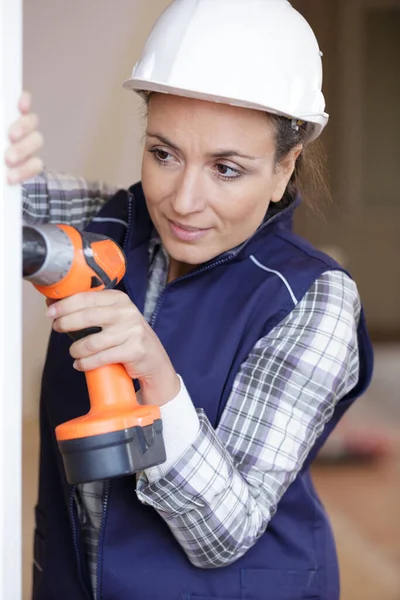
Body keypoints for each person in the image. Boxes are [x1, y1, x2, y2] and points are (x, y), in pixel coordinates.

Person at [6, 1, 374, 599]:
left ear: (285, 169)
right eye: (163, 153)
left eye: (227, 169)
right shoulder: (106, 225)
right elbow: (12, 205)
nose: (182, 200)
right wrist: (4, 164)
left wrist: (158, 378)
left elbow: (223, 533)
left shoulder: (313, 299)